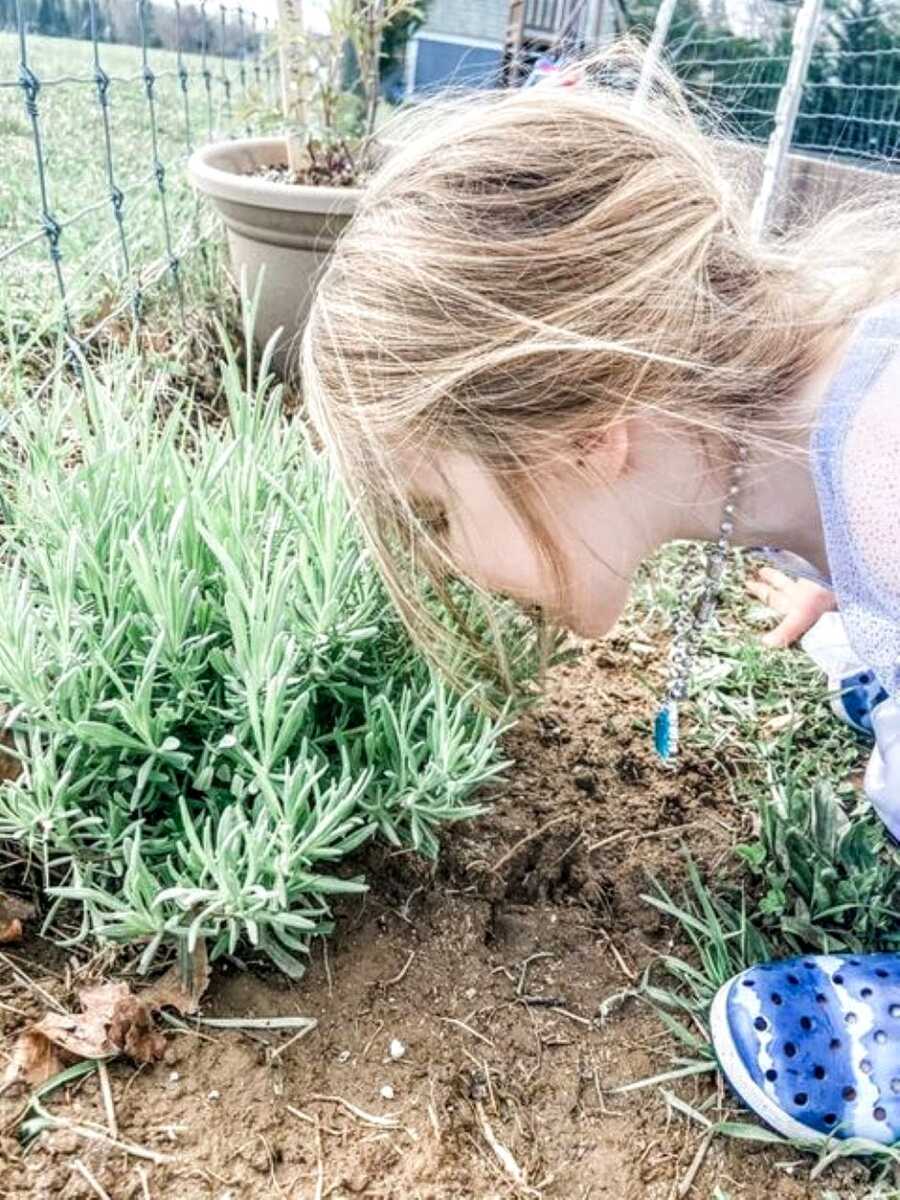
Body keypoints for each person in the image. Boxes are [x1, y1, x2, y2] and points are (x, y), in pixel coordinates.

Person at [301, 43, 900, 1147]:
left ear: (588, 437)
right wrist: (853, 593)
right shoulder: (815, 428)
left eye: (438, 513)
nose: (442, 563)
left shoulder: (884, 466)